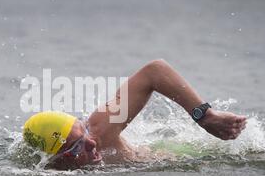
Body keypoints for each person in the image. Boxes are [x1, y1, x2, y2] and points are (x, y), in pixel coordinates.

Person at [23, 59, 247, 170]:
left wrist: (204, 115)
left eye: (84, 132)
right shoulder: (49, 170)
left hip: (175, 155)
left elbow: (155, 71)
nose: (92, 143)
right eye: (77, 146)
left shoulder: (100, 129)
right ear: (55, 159)